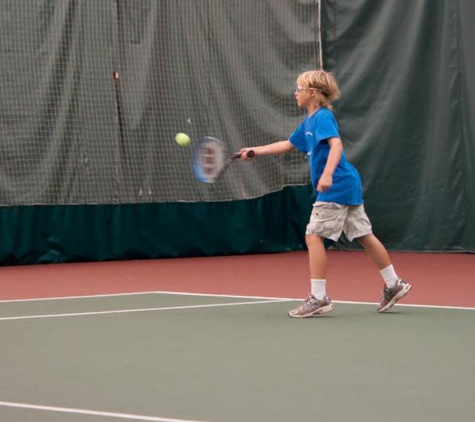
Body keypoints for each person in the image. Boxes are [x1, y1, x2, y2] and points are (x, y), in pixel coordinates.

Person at [239, 70, 412, 317]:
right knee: (364, 235)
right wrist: (254, 151)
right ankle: (394, 283)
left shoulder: (322, 117)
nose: (295, 93)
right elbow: (288, 145)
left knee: (313, 236)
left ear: (313, 93)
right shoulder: (309, 122)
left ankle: (319, 298)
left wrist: (328, 174)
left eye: (299, 88)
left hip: (337, 186)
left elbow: (337, 144)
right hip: (348, 185)